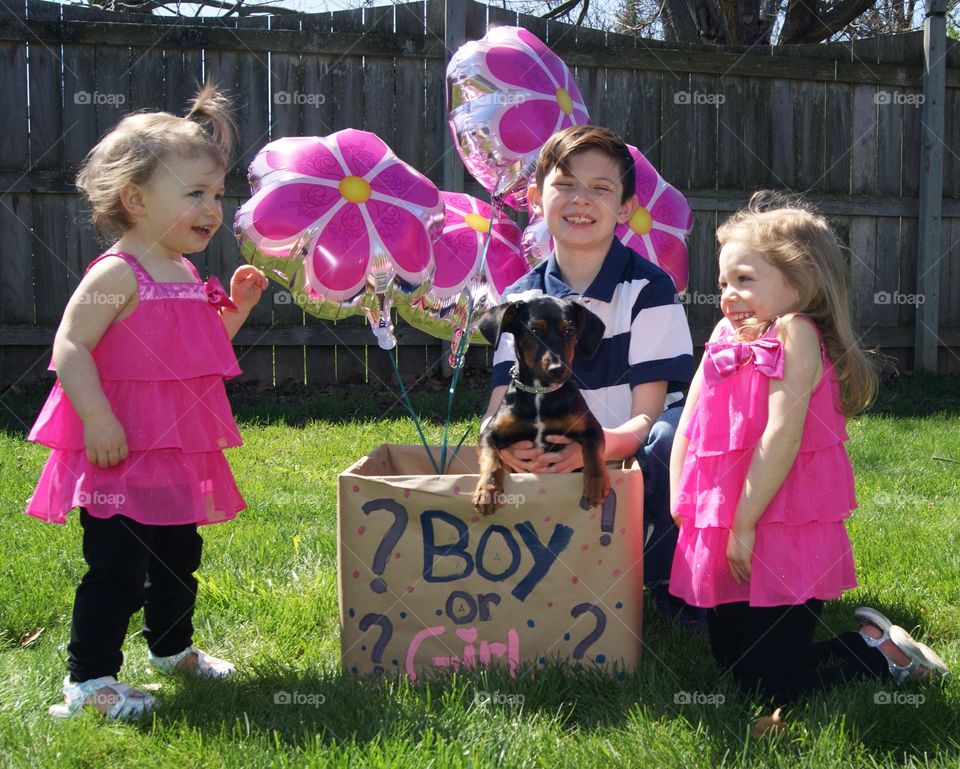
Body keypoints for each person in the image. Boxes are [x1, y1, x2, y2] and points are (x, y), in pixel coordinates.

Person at [26, 84, 269, 720]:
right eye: (194, 193)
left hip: (174, 449)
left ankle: (170, 648)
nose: (213, 208)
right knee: (116, 569)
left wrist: (237, 311)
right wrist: (98, 417)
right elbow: (71, 347)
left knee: (178, 557)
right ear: (136, 199)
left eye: (216, 194)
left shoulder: (184, 273)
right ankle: (89, 682)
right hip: (119, 450)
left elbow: (202, 349)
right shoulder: (118, 273)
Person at [668, 191, 948, 728]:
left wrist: (746, 524)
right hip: (730, 516)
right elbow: (690, 419)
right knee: (732, 664)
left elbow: (782, 433)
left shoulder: (794, 331)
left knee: (775, 682)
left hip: (781, 522)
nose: (728, 294)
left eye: (745, 280)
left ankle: (879, 653)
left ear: (798, 283)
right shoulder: (725, 335)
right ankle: (855, 642)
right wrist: (683, 494)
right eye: (724, 282)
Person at [482, 125, 702, 628]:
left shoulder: (649, 288)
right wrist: (507, 445)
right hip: (552, 439)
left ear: (625, 207)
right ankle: (544, 576)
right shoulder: (517, 299)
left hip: (623, 446)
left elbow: (648, 415)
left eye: (602, 188)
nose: (582, 199)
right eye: (566, 184)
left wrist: (593, 449)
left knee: (672, 438)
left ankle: (669, 586)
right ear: (537, 198)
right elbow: (498, 404)